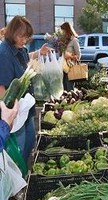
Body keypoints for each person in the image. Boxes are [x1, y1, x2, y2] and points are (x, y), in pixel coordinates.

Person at [0, 16, 50, 164]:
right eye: (22, 37)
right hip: (14, 112)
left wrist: (38, 53)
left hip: (26, 108)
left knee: (29, 142)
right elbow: (1, 88)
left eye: (27, 37)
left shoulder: (18, 48)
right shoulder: (3, 54)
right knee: (19, 148)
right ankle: (18, 180)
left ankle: (22, 175)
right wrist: (8, 115)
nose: (24, 40)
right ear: (12, 33)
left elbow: (24, 60)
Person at [60, 21, 81, 91]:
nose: (62, 32)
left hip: (70, 67)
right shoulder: (62, 41)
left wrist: (70, 56)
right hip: (62, 67)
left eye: (63, 30)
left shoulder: (74, 40)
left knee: (69, 87)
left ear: (67, 30)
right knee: (63, 87)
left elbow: (78, 55)